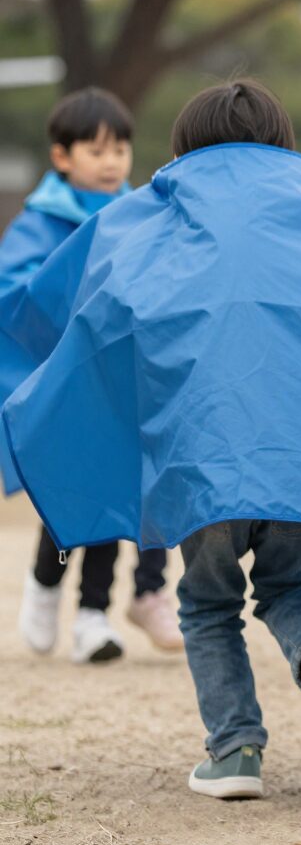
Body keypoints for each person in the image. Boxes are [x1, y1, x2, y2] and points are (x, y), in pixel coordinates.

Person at [168, 81, 301, 801]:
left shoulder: (170, 223)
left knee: (207, 603)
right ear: (286, 147)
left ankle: (235, 753)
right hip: (300, 452)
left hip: (205, 456)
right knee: (292, 583)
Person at [5, 88, 178, 664]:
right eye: (97, 149)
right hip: (64, 389)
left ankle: (93, 615)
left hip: (122, 387)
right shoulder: (41, 222)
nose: (112, 162)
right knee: (70, 501)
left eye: (122, 149)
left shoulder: (137, 216)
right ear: (62, 156)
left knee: (115, 496)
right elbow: (17, 294)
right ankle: (45, 585)